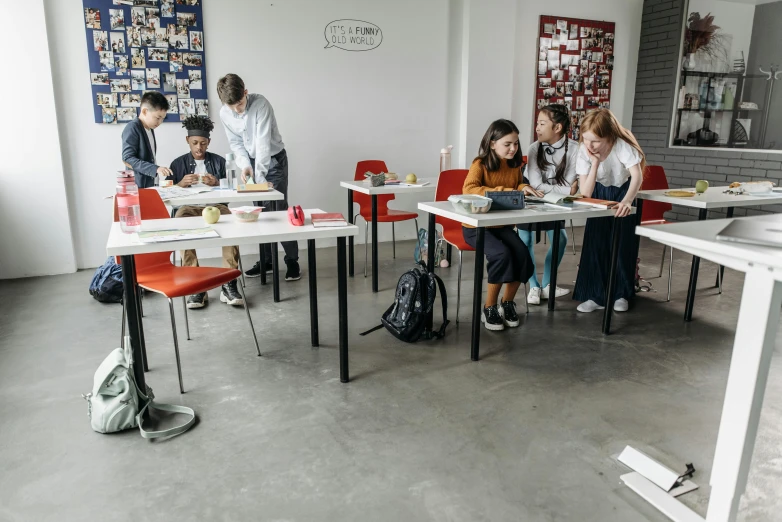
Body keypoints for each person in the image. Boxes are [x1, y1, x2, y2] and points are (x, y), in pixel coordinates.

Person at [217, 73, 301, 281]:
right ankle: (267, 261)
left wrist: (260, 178)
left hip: (273, 160)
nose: (237, 109)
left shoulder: (261, 104)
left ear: (245, 92)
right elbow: (236, 143)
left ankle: (292, 260)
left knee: (279, 211)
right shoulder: (224, 113)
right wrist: (245, 166)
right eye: (232, 106)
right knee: (258, 212)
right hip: (253, 163)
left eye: (240, 103)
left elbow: (263, 144)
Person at [462, 119, 541, 331]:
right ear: (492, 143)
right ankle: (489, 307)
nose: (513, 148)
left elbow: (517, 183)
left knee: (522, 256)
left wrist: (524, 186)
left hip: (502, 226)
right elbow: (469, 189)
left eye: (515, 143)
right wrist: (505, 192)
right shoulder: (479, 164)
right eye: (507, 144)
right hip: (476, 227)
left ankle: (507, 304)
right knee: (501, 255)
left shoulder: (515, 165)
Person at [165, 116, 244, 309]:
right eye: (194, 143)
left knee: (232, 221)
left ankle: (228, 282)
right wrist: (180, 184)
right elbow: (168, 192)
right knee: (179, 221)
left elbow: (233, 189)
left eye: (203, 143)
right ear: (187, 141)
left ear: (209, 142)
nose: (199, 147)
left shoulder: (219, 161)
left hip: (216, 206)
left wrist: (217, 182)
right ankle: (196, 284)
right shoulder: (177, 164)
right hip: (188, 208)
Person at [573, 108, 646, 313]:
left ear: (609, 137)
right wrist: (595, 163)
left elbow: (637, 176)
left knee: (622, 245)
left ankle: (621, 293)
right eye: (586, 139)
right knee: (596, 243)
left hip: (625, 192)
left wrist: (627, 201)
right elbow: (585, 192)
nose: (590, 145)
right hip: (599, 193)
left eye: (595, 140)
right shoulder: (584, 150)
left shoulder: (621, 145)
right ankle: (596, 295)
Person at [519, 104, 579, 305]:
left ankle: (547, 285)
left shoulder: (575, 149)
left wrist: (565, 190)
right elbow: (535, 184)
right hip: (530, 196)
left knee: (560, 239)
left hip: (555, 202)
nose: (537, 128)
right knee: (524, 240)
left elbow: (569, 184)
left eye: (542, 123)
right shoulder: (534, 148)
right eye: (537, 123)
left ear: (557, 127)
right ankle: (533, 286)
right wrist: (566, 190)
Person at [121, 91, 172, 188]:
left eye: (163, 118)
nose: (160, 122)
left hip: (151, 184)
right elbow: (127, 159)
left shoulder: (150, 128)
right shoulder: (132, 127)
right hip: (138, 186)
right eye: (158, 118)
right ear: (144, 111)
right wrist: (155, 169)